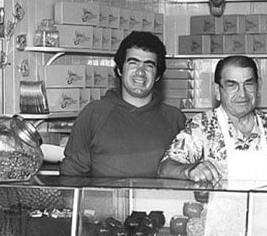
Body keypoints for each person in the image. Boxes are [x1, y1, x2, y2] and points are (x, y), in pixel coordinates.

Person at [59, 30, 185, 177]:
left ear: (157, 76)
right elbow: (71, 174)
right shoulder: (94, 114)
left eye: (149, 65)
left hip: (160, 200)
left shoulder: (175, 119)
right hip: (104, 200)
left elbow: (186, 172)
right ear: (119, 69)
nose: (140, 72)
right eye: (133, 63)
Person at [159, 55, 267, 185]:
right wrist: (188, 171)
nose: (242, 94)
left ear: (258, 87)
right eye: (232, 85)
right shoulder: (202, 126)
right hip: (220, 208)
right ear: (217, 90)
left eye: (249, 84)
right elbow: (165, 167)